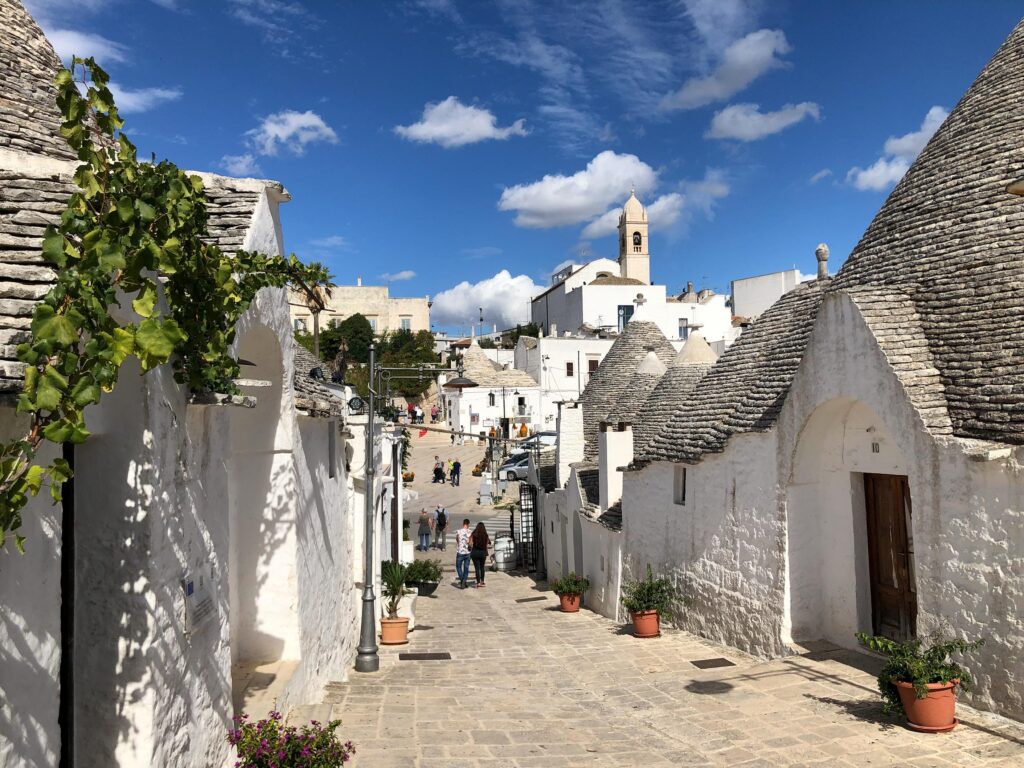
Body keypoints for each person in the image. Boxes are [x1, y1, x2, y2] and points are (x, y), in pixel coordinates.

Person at [470, 522, 491, 588]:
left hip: (475, 552)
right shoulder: (485, 535)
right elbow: (488, 543)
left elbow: (470, 543)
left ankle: (478, 582)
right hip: (483, 553)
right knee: (482, 567)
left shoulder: (474, 533)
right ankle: (482, 581)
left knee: (477, 568)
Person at [454, 519, 472, 588]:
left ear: (463, 523)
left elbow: (457, 540)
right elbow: (471, 543)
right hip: (467, 552)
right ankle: (464, 581)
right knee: (466, 567)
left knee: (458, 567)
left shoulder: (458, 531)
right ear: (468, 524)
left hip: (460, 552)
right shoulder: (470, 532)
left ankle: (462, 580)